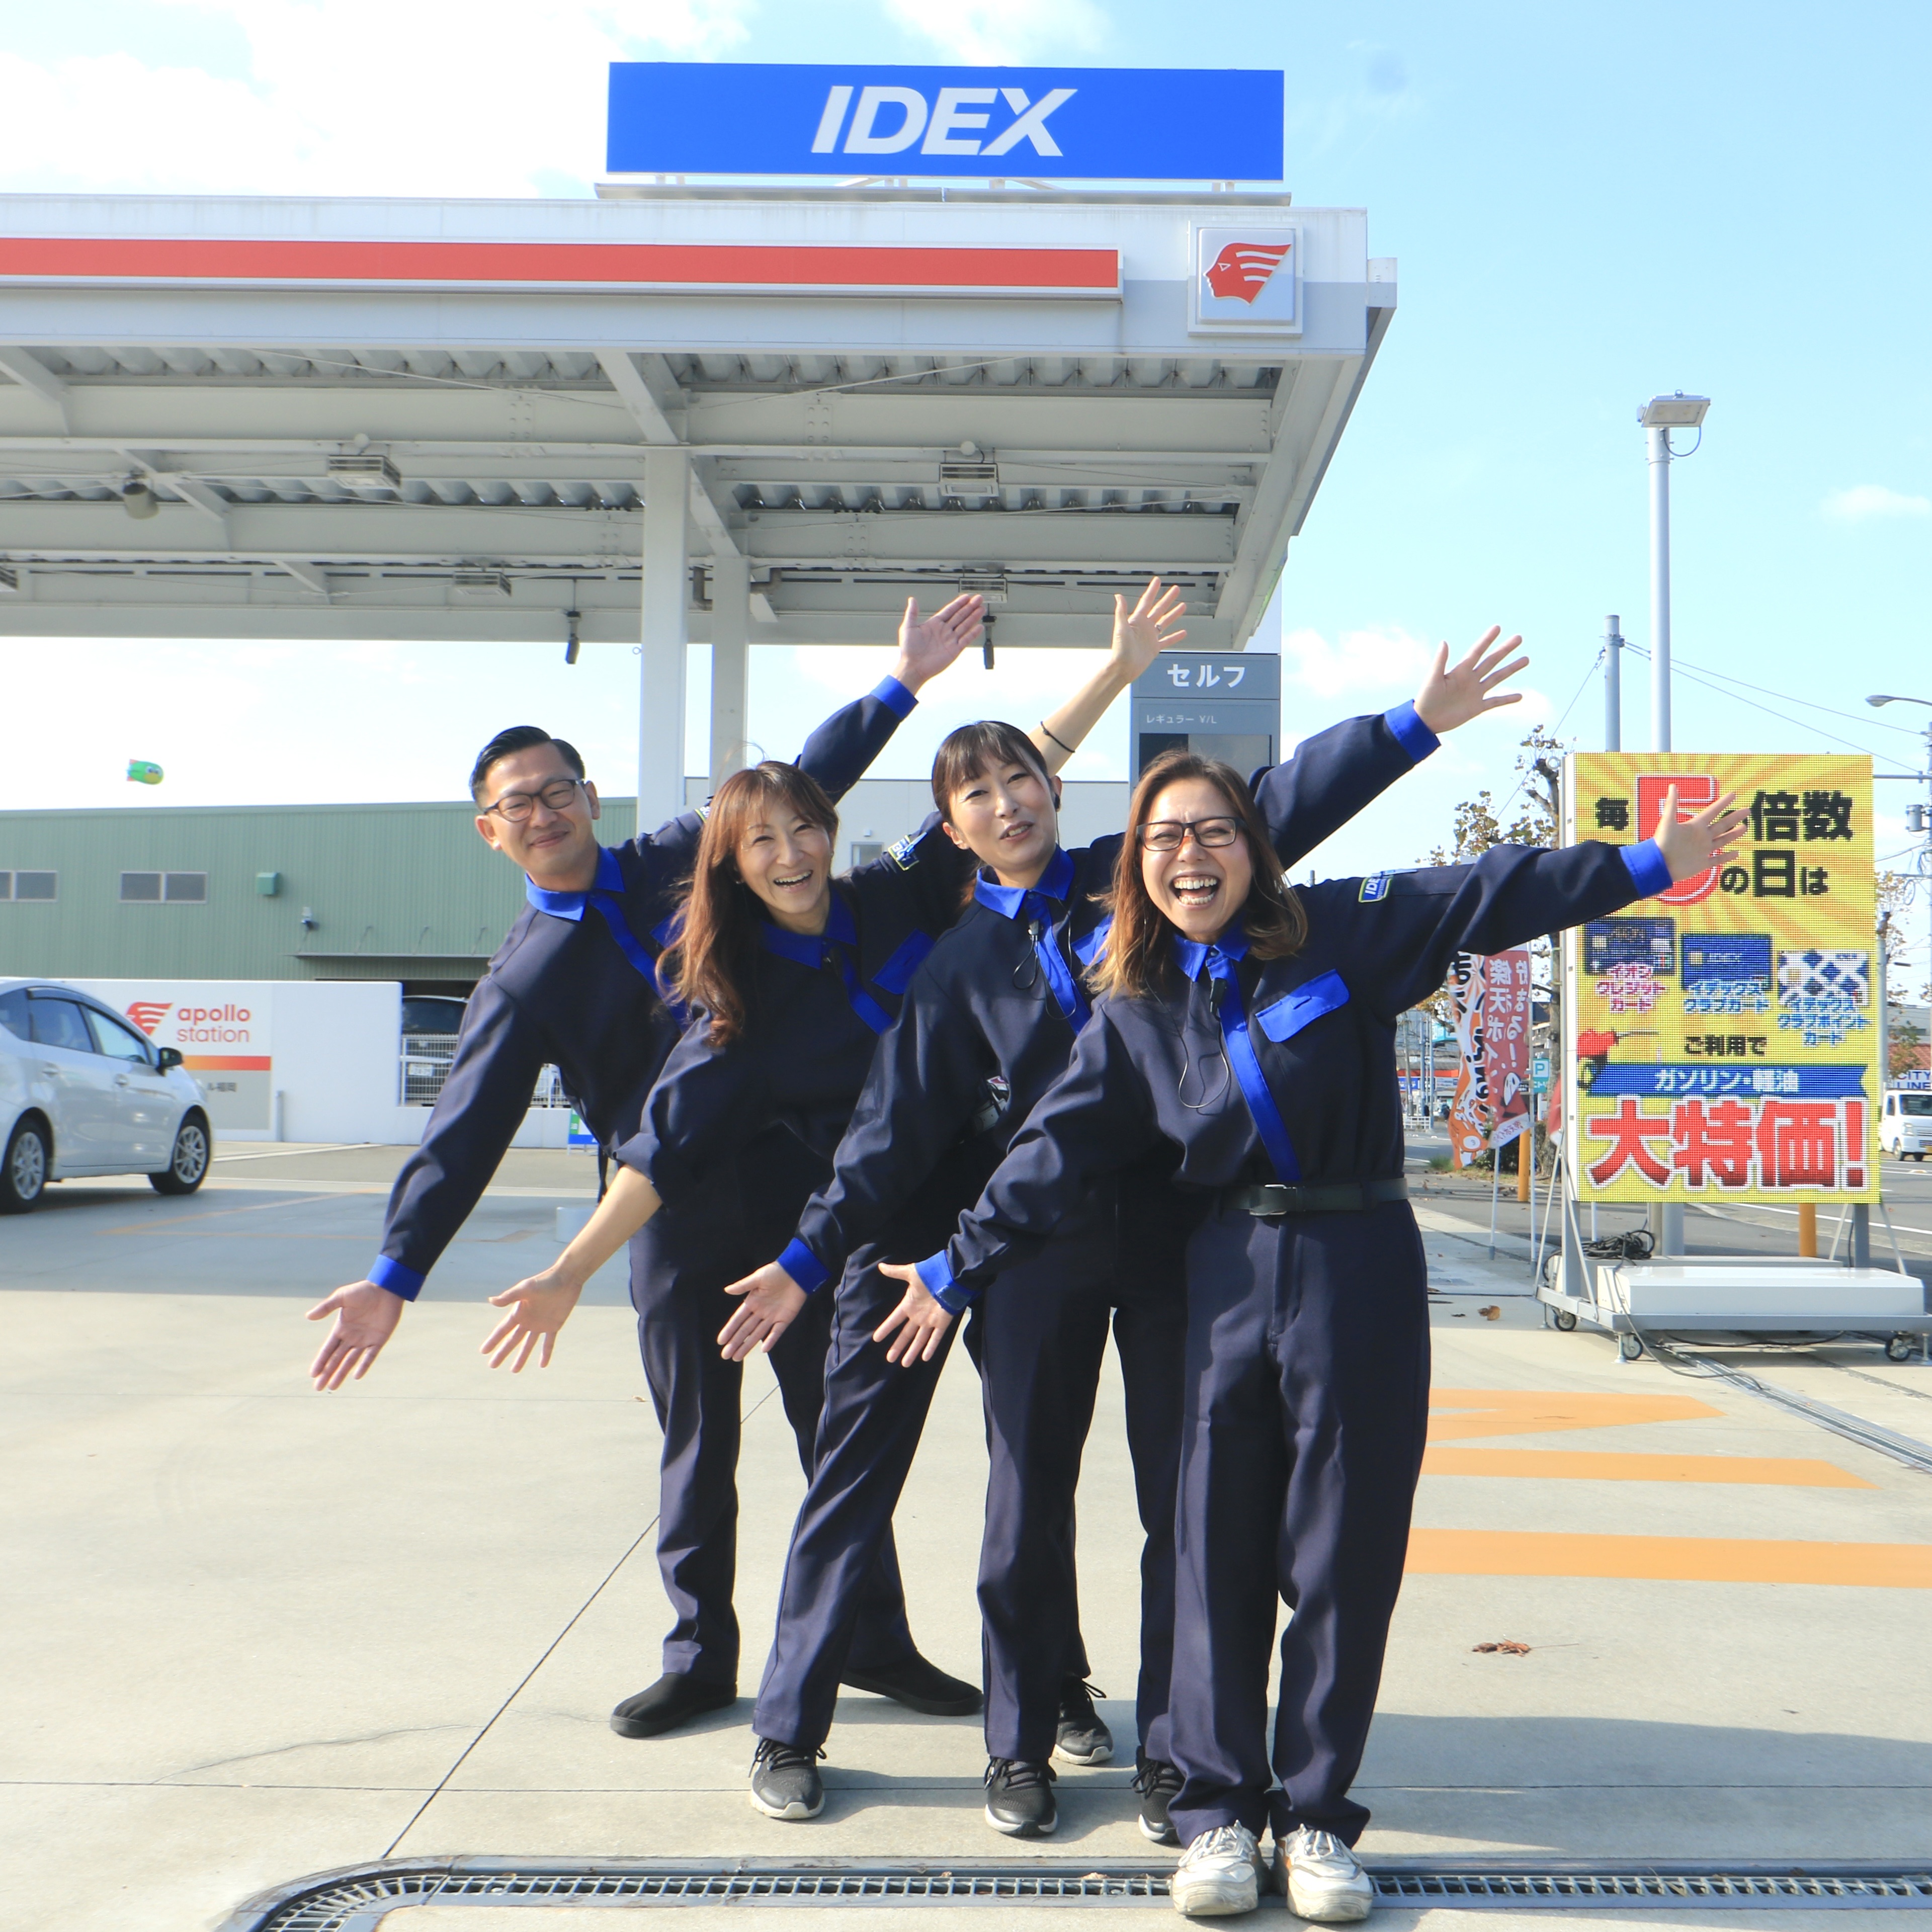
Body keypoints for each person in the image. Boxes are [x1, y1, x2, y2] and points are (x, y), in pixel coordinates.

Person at [873, 758, 1744, 1918]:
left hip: (1356, 1261)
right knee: (1211, 1545)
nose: (1190, 856)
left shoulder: (1337, 932)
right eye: (1164, 837)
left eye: (1214, 832)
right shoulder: (1132, 1003)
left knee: (1345, 1551)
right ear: (1135, 863)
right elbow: (1051, 1150)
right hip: (1224, 1272)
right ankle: (1217, 1816)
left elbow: (1485, 890)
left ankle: (1319, 1816)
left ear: (1253, 845)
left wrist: (1642, 863)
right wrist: (955, 1263)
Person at [713, 629, 1530, 1836]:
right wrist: (804, 1256)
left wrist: (1410, 726)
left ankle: (1170, 1746)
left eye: (1022, 780)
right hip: (1033, 1250)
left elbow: (1272, 806)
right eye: (977, 795)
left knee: (1185, 1508)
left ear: (1053, 790)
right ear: (953, 829)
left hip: (1175, 1240)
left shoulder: (1134, 875)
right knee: (1024, 1499)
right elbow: (889, 1131)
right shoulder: (956, 964)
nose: (1007, 804)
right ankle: (1014, 1744)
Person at [467, 581, 1196, 1747]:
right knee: (849, 1461)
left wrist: (1112, 671)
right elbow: (654, 1149)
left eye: (803, 829)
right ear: (730, 866)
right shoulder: (736, 1010)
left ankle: (1049, 1682)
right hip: (871, 1222)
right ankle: (779, 1714)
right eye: (760, 842)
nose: (791, 852)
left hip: (1000, 1208)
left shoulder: (896, 892)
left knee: (1028, 1457)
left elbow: (1006, 789)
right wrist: (569, 1268)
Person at [303, 597, 984, 1738]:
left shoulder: (676, 858)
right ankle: (700, 1655)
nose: (542, 813)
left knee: (839, 1426)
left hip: (798, 1195)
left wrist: (901, 685)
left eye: (557, 790)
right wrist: (394, 1272)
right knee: (697, 1439)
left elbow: (801, 784)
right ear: (488, 831)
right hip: (664, 1214)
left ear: (589, 796)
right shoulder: (522, 978)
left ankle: (872, 1638)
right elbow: (462, 1132)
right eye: (517, 804)